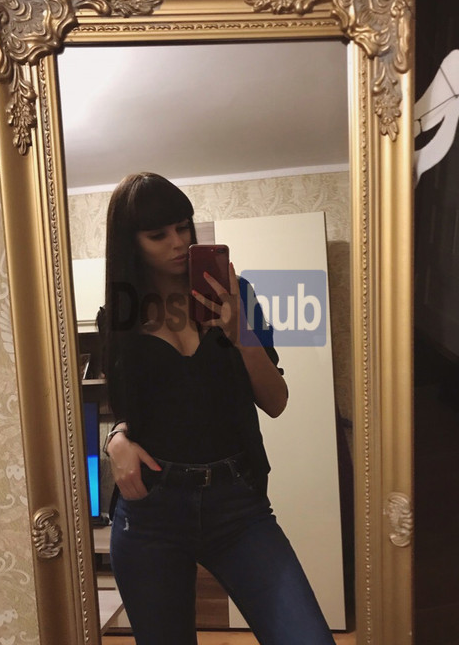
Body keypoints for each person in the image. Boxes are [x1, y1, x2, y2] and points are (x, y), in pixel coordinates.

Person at [102, 171, 335, 645]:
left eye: (183, 226)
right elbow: (124, 409)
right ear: (131, 243)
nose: (178, 242)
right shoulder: (118, 317)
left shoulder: (236, 295)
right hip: (150, 511)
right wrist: (115, 439)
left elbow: (276, 402)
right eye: (158, 234)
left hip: (238, 506)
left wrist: (240, 331)